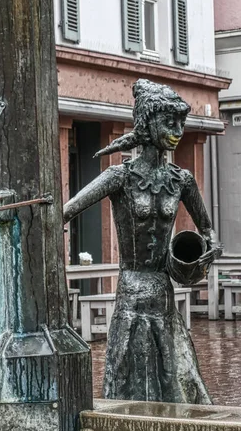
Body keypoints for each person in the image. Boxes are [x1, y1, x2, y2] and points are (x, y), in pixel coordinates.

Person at [63, 79, 221, 404]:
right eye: (169, 122)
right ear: (148, 122)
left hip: (163, 291)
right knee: (127, 377)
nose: (177, 130)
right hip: (131, 293)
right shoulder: (119, 176)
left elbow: (208, 231)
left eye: (181, 122)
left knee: (173, 375)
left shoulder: (182, 179)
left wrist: (208, 252)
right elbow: (68, 211)